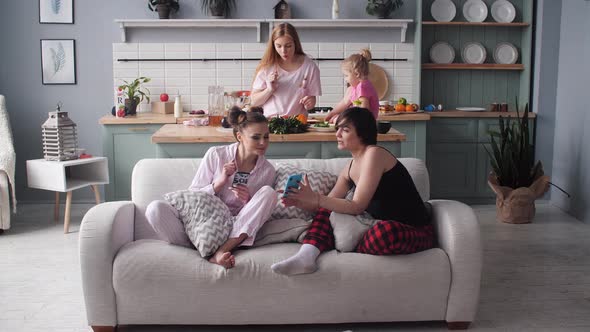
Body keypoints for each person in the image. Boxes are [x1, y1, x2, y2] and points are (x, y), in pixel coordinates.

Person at [271, 107, 434, 276]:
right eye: (338, 128)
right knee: (328, 210)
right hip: (373, 226)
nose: (338, 134)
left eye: (345, 130)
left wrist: (317, 198)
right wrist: (303, 202)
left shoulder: (374, 154)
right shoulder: (349, 167)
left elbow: (357, 206)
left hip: (412, 229)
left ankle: (339, 244)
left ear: (362, 134)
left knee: (384, 233)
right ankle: (306, 256)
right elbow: (327, 204)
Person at [145, 106, 277, 269]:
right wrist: (218, 184)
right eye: (256, 137)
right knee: (155, 209)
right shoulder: (216, 155)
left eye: (266, 137)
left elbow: (257, 214)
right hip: (204, 221)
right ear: (239, 136)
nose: (263, 143)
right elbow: (193, 196)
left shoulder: (268, 171)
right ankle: (200, 248)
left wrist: (247, 200)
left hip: (234, 228)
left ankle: (221, 250)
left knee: (269, 194)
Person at [250, 22, 322, 118]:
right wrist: (269, 90)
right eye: (278, 46)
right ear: (273, 45)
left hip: (298, 123)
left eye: (288, 46)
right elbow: (254, 102)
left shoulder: (309, 67)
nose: (283, 51)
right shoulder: (267, 67)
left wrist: (310, 103)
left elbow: (312, 101)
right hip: (271, 122)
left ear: (295, 44)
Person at [325, 49, 380, 123]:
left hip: (365, 123)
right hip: (360, 120)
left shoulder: (362, 87)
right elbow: (344, 103)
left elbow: (364, 111)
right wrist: (332, 113)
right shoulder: (355, 88)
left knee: (337, 120)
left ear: (357, 74)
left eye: (346, 75)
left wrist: (344, 118)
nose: (345, 79)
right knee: (336, 118)